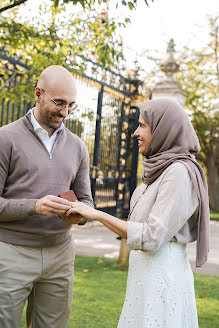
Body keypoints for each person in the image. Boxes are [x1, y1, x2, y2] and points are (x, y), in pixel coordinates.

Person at [66, 98, 209, 328]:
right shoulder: (158, 171)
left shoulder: (179, 172)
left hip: (163, 279)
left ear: (163, 129)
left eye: (142, 125)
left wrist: (97, 215)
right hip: (143, 277)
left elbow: (151, 237)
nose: (135, 132)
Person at [0, 65, 93, 328]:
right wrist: (35, 206)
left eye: (71, 105)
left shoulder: (77, 147)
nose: (65, 112)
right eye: (59, 103)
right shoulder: (5, 139)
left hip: (60, 254)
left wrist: (78, 215)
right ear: (38, 93)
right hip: (10, 253)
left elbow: (87, 202)